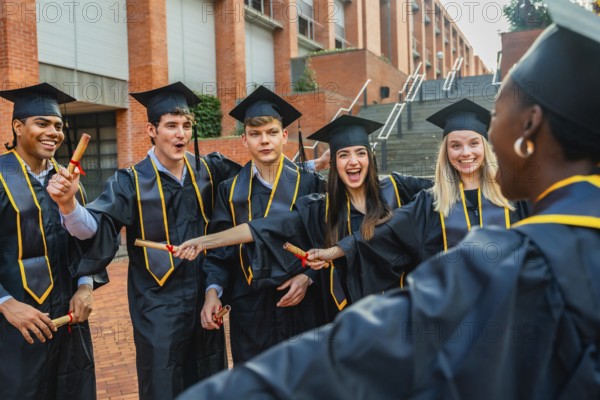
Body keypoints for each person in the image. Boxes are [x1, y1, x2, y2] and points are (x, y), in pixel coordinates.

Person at [174, 0, 600, 397]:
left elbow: (367, 345)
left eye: (493, 122)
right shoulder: (555, 242)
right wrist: (335, 251)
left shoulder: (522, 263)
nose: (478, 148)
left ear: (529, 128)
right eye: (458, 144)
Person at [48, 82, 242, 400]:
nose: (180, 134)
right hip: (157, 308)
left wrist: (301, 171)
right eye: (171, 126)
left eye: (185, 126)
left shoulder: (209, 170)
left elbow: (254, 189)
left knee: (211, 382)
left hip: (205, 301)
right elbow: (94, 228)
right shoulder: (130, 182)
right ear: (152, 129)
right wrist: (69, 205)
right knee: (162, 385)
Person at [176, 115, 432, 321]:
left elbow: (446, 195)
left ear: (370, 157)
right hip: (350, 318)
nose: (353, 161)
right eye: (343, 155)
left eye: (360, 153)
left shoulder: (399, 188)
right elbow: (264, 228)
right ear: (333, 163)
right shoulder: (322, 208)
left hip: (403, 312)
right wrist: (205, 241)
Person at [178, 85, 329, 364]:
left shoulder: (310, 184)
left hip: (301, 302)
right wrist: (212, 292)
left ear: (284, 136)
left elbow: (329, 243)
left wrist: (309, 278)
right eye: (255, 134)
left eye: (272, 133)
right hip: (250, 308)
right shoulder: (230, 190)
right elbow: (221, 252)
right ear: (244, 140)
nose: (265, 141)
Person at [307, 99, 528, 273]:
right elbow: (384, 233)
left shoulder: (516, 194)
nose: (466, 153)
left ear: (485, 147)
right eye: (455, 146)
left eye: (473, 143)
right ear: (446, 152)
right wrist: (336, 251)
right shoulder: (429, 202)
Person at [0, 83, 107, 399]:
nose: (53, 132)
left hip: (69, 323)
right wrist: (6, 304)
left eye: (58, 126)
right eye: (42, 123)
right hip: (15, 329)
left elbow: (85, 244)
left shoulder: (67, 181)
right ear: (18, 126)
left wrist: (86, 286)